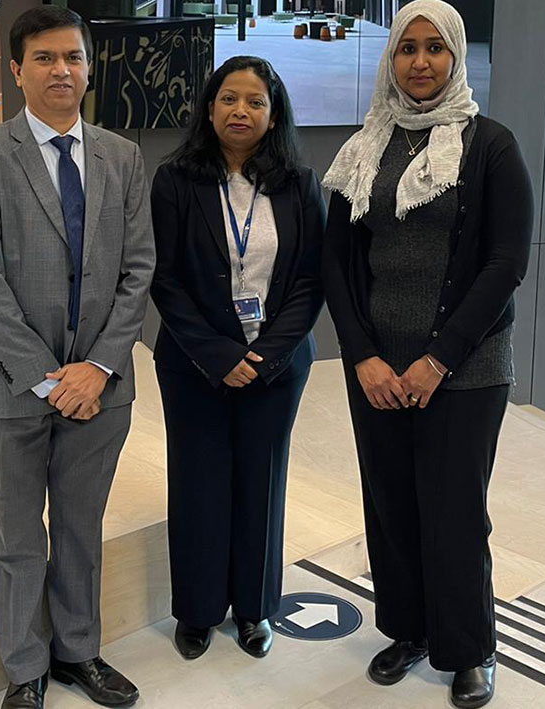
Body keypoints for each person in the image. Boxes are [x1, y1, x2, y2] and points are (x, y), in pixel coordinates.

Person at [320, 1, 533, 707]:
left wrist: (437, 359)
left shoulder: (490, 145)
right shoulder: (363, 149)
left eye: (433, 49)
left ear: (455, 57)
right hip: (377, 367)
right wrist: (363, 358)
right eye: (406, 48)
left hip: (464, 369)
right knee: (390, 504)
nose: (418, 62)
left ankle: (468, 648)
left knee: (453, 510)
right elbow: (337, 263)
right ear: (391, 60)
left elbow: (504, 262)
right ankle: (406, 629)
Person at [0, 7, 155, 709]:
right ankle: (25, 667)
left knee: (80, 527)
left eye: (71, 57)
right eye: (43, 58)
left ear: (89, 67)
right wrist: (47, 377)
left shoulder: (121, 157)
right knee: (16, 534)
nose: (60, 70)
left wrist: (96, 367)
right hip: (13, 390)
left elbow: (138, 271)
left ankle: (78, 651)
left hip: (100, 388)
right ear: (16, 71)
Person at [149, 56, 326, 661]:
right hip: (193, 363)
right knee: (198, 482)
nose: (240, 111)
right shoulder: (175, 180)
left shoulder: (299, 184)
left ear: (274, 114)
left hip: (276, 367)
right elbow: (164, 280)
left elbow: (309, 280)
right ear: (209, 107)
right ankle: (197, 611)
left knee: (261, 482)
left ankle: (254, 610)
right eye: (229, 99)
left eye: (255, 101)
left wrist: (266, 356)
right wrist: (221, 354)